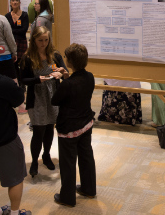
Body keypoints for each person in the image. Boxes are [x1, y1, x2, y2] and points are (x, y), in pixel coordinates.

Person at [0, 40, 31, 215]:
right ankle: (15, 213)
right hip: (5, 139)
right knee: (15, 179)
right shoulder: (4, 82)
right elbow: (19, 101)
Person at [52, 43, 96, 207]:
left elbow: (55, 100)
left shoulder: (68, 84)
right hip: (86, 123)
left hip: (69, 128)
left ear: (69, 61)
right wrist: (66, 77)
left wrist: (60, 80)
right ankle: (88, 188)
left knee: (68, 163)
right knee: (86, 157)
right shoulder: (89, 76)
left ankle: (67, 197)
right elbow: (76, 86)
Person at [20, 26, 67, 177]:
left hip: (52, 96)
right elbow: (23, 80)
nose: (44, 43)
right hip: (37, 96)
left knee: (49, 128)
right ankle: (34, 161)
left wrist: (61, 73)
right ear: (33, 40)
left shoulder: (54, 55)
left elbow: (65, 71)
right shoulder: (28, 57)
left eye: (46, 40)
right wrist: (36, 79)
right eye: (40, 40)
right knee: (38, 130)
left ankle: (46, 155)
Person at [5, 0, 29, 104]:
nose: (14, 2)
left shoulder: (24, 15)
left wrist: (12, 31)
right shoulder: (6, 16)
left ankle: (23, 84)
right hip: (11, 43)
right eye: (13, 0)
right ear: (10, 3)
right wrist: (14, 31)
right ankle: (16, 85)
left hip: (21, 43)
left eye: (16, 0)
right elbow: (6, 31)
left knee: (22, 64)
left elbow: (24, 30)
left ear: (19, 2)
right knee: (13, 64)